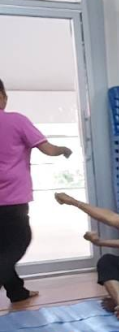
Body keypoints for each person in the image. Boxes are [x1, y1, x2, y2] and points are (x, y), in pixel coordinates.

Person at [0, 77, 73, 305]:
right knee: (18, 242)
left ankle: (17, 292)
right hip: (12, 198)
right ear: (2, 96)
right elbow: (47, 149)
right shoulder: (16, 120)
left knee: (2, 248)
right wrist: (63, 149)